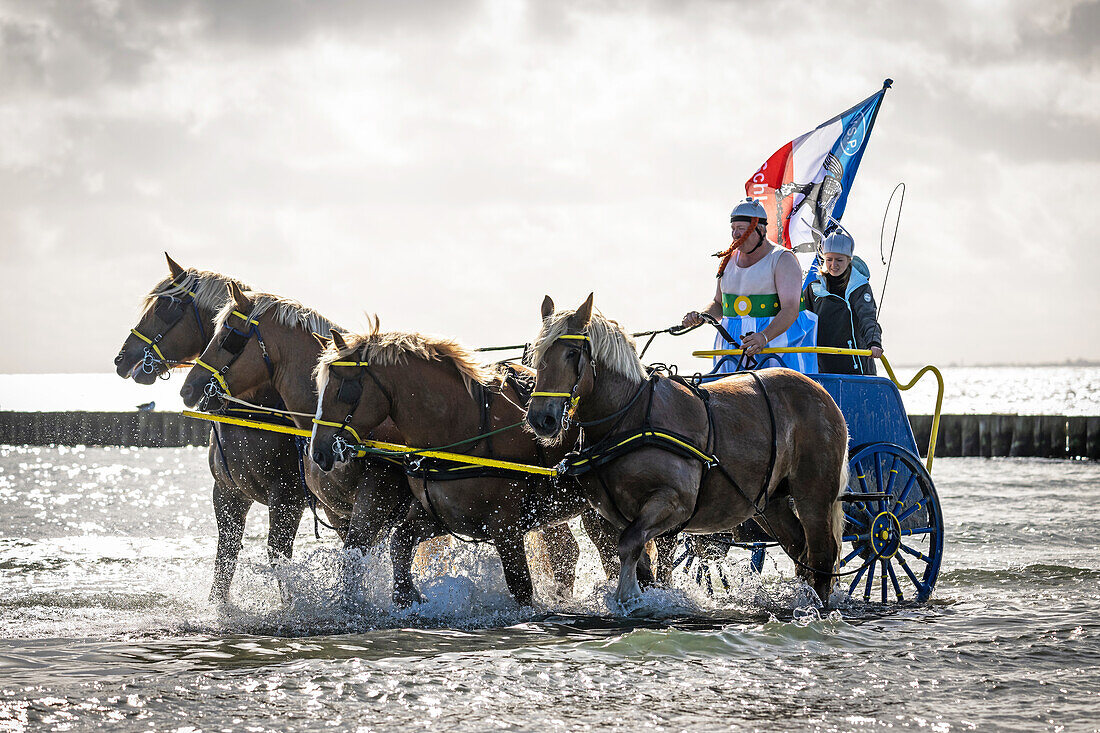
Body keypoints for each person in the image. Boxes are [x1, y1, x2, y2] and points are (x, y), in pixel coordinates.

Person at [682, 198, 817, 373]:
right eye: (733, 229)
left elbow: (790, 310)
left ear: (759, 230)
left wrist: (764, 337)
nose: (735, 235)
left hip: (776, 349)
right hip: (733, 349)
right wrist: (702, 315)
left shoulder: (783, 259)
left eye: (741, 229)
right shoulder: (727, 261)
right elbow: (718, 304)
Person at [802, 229, 883, 375]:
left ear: (849, 259)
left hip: (856, 367)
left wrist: (874, 342)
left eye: (839, 260)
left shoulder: (859, 287)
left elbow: (868, 318)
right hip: (822, 367)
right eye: (829, 259)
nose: (834, 265)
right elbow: (800, 320)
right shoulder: (813, 289)